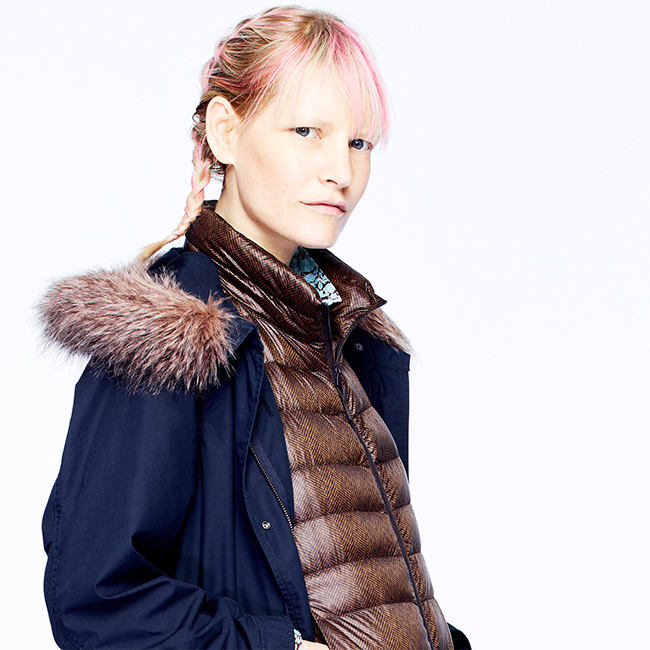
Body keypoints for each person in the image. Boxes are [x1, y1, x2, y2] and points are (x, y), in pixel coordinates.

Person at [38, 6, 470, 650]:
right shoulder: (175, 334)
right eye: (307, 131)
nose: (341, 171)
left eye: (359, 143)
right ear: (225, 133)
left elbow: (373, 585)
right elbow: (99, 598)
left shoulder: (346, 335)